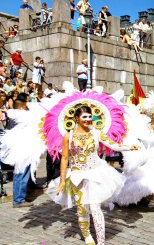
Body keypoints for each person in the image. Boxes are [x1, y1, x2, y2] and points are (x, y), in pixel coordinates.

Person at [53, 104, 138, 245]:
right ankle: (87, 237)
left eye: (89, 116)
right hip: (77, 176)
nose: (88, 119)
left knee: (95, 208)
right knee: (82, 209)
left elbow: (113, 145)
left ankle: (101, 242)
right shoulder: (68, 136)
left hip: (95, 174)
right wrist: (62, 180)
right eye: (84, 116)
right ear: (76, 118)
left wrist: (129, 147)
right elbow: (65, 158)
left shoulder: (96, 133)